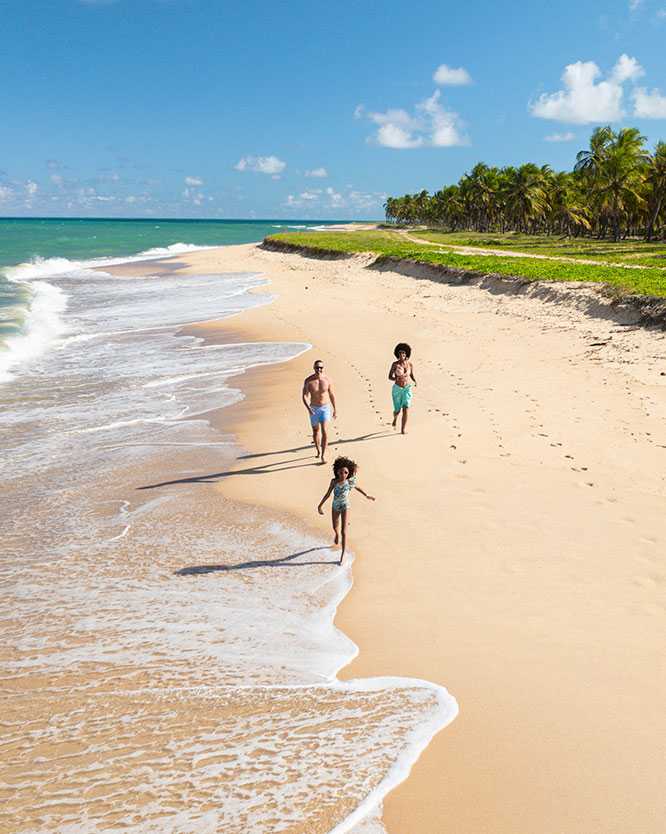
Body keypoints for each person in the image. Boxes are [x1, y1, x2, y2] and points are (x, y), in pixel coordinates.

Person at [318, 456, 375, 564]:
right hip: (335, 506)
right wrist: (320, 506)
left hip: (345, 505)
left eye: (346, 472)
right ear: (337, 472)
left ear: (348, 473)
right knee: (335, 527)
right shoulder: (334, 482)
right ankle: (336, 534)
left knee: (344, 531)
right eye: (341, 472)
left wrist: (366, 495)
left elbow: (357, 487)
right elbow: (328, 494)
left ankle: (343, 554)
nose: (343, 474)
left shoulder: (349, 482)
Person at [302, 360, 337, 463]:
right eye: (317, 367)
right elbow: (304, 396)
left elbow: (331, 394)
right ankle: (318, 450)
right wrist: (309, 409)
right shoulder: (308, 381)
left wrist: (335, 409)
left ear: (323, 368)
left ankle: (323, 455)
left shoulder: (327, 380)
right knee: (315, 431)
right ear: (314, 368)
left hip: (325, 408)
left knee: (324, 431)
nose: (319, 369)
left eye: (321, 367)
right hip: (313, 409)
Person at [389, 342, 416, 434]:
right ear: (398, 354)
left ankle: (402, 429)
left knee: (406, 407)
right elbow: (389, 376)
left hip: (407, 388)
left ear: (406, 354)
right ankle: (395, 418)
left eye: (403, 353)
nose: (402, 354)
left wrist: (415, 380)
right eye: (400, 353)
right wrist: (395, 378)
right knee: (397, 410)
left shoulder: (410, 364)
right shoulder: (395, 364)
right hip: (397, 389)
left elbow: (411, 374)